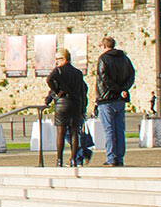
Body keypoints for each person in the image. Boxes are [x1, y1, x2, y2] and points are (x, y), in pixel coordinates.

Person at [94, 36, 135, 167]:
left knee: (109, 129)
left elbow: (104, 77)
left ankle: (111, 157)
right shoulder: (124, 59)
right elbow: (131, 75)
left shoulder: (103, 59)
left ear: (104, 46)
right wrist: (124, 89)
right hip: (119, 99)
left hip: (106, 99)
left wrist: (117, 89)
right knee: (119, 129)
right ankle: (120, 157)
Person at [46, 49, 90, 168]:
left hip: (62, 103)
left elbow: (49, 79)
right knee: (74, 132)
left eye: (58, 59)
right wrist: (83, 109)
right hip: (75, 103)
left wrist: (56, 91)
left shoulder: (59, 71)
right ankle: (73, 159)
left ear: (65, 59)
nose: (56, 62)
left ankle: (59, 159)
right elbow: (82, 91)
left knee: (61, 132)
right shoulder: (78, 73)